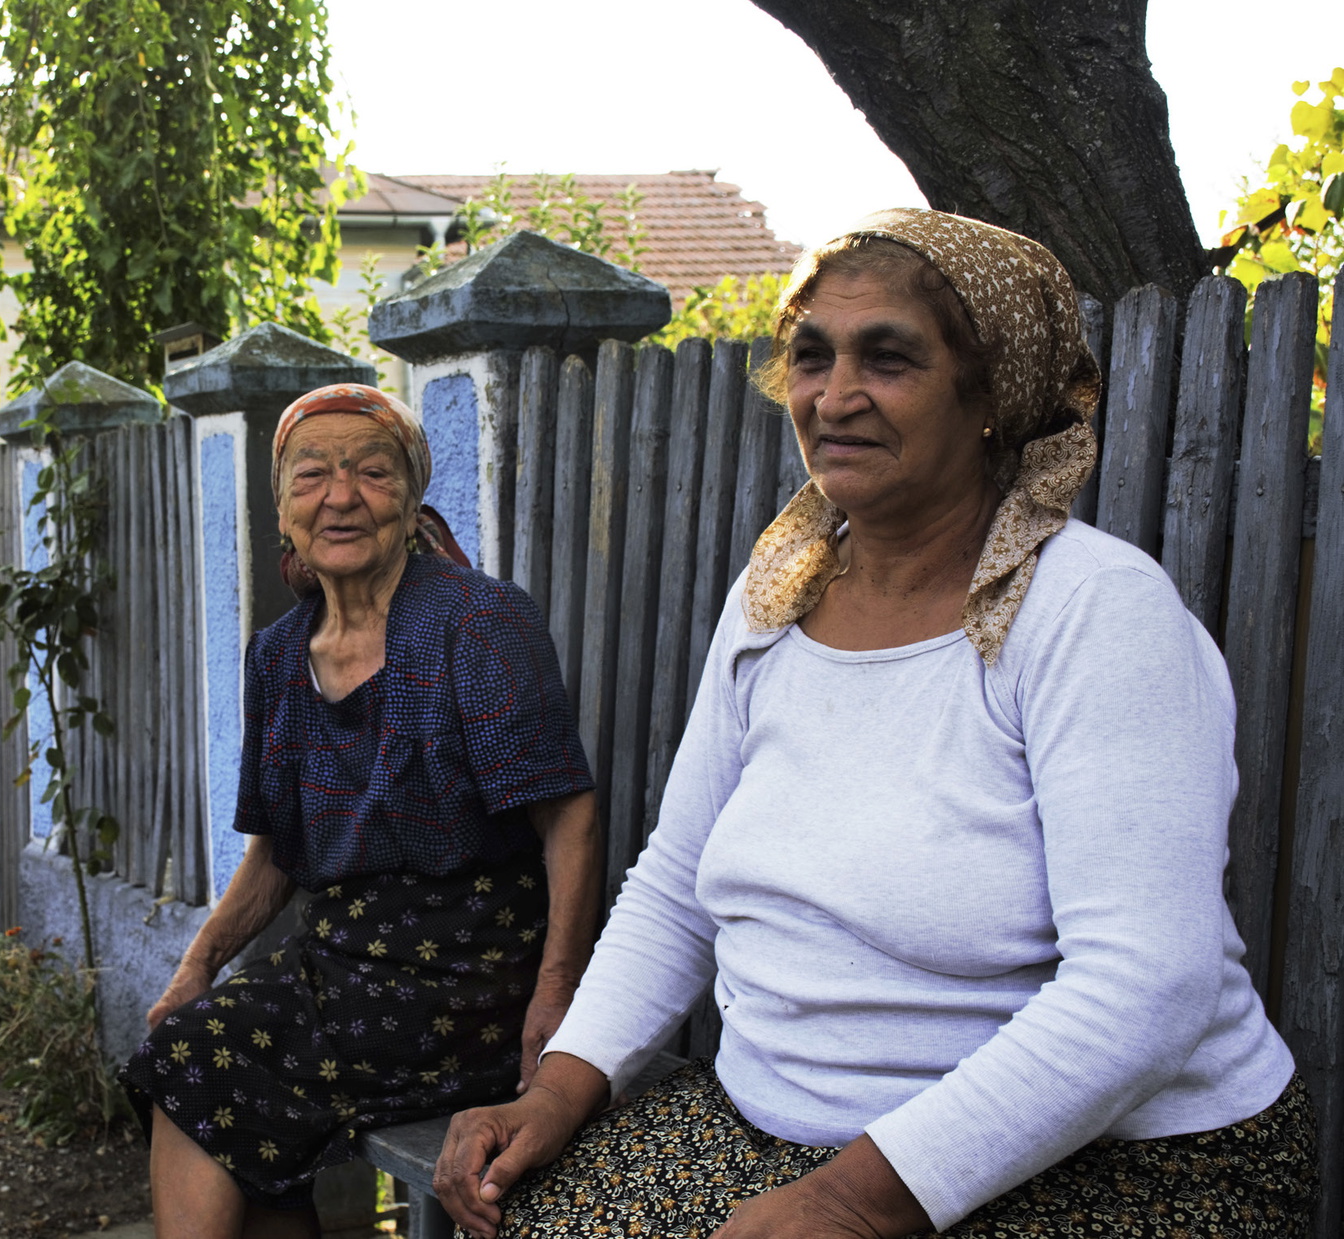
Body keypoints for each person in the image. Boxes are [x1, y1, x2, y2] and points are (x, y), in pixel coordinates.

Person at [433, 209, 1312, 1239]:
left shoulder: (1094, 615)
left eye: (887, 360)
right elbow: (678, 883)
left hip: (1108, 1161)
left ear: (990, 396)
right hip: (777, 1135)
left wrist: (852, 1203)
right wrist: (556, 1092)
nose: (834, 397)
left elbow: (1144, 991)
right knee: (523, 1212)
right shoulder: (776, 596)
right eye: (812, 357)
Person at [124, 383, 604, 1238]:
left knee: (204, 1062)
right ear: (282, 506)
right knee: (196, 1054)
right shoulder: (277, 655)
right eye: (312, 476)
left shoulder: (478, 623)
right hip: (339, 968)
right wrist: (197, 965)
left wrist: (557, 992)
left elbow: (568, 818)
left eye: (372, 472)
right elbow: (277, 852)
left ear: (412, 493)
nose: (340, 496)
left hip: (471, 977)